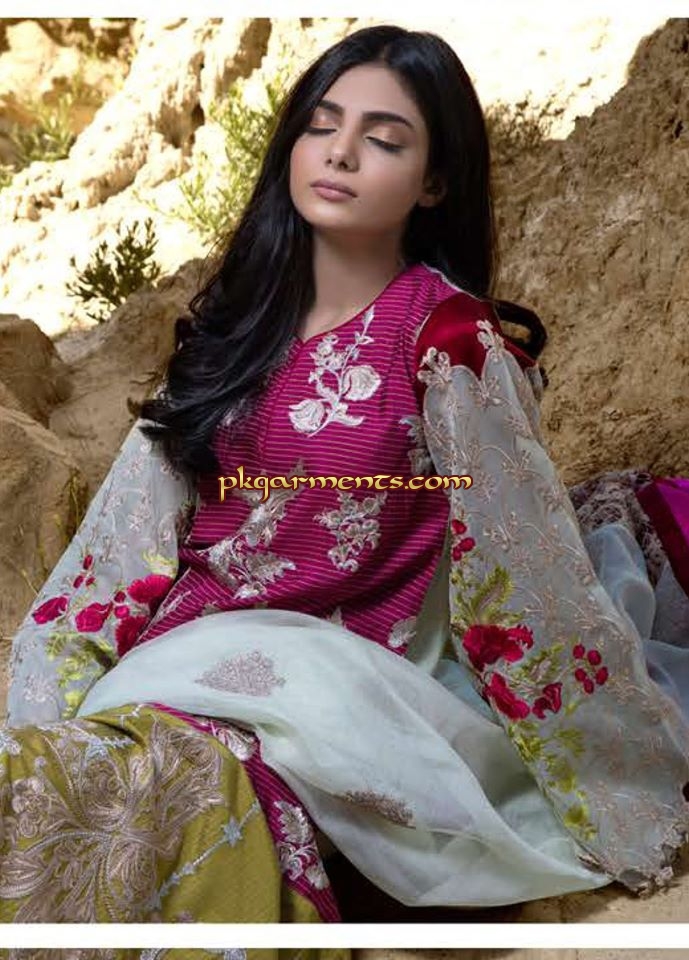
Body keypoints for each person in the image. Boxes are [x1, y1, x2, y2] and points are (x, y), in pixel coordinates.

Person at [3, 23, 689, 924]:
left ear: (433, 182)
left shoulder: (448, 344)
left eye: (384, 138)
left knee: (147, 817)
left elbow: (522, 573)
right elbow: (114, 556)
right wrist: (38, 710)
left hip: (338, 702)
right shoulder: (233, 331)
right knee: (46, 796)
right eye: (321, 125)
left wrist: (609, 787)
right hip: (167, 674)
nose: (339, 152)